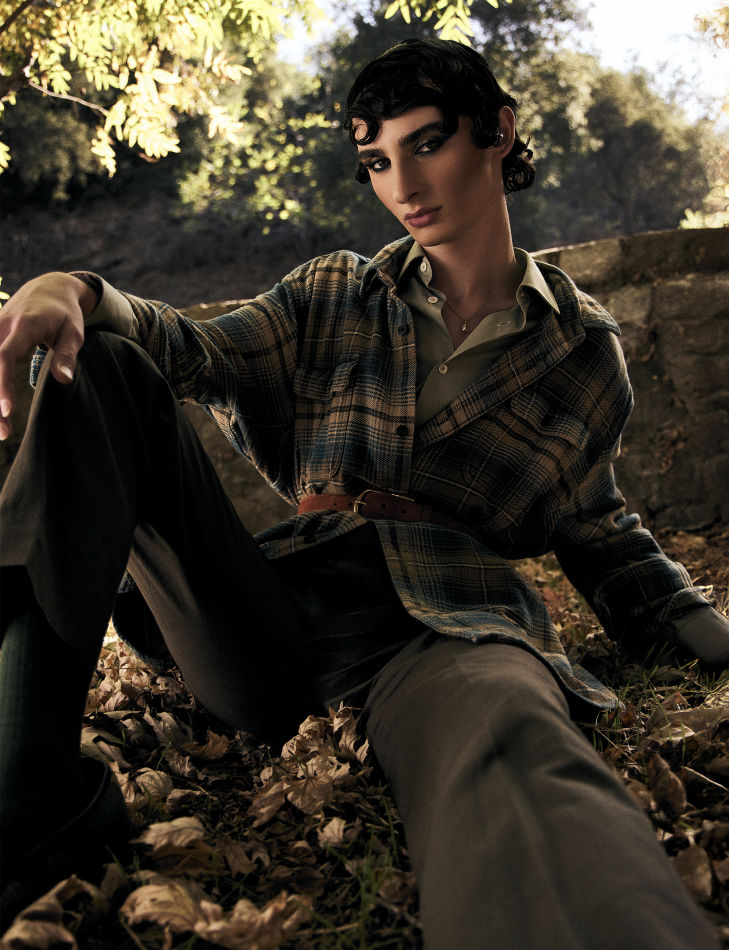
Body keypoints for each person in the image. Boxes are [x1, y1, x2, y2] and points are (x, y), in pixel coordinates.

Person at [0, 37, 726, 947]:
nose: (402, 184)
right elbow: (195, 349)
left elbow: (599, 526)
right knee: (101, 364)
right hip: (266, 614)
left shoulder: (581, 352)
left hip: (440, 628)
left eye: (426, 143)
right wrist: (69, 287)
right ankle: (26, 792)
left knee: (510, 736)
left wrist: (702, 629)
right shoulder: (337, 290)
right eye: (377, 161)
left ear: (497, 132)